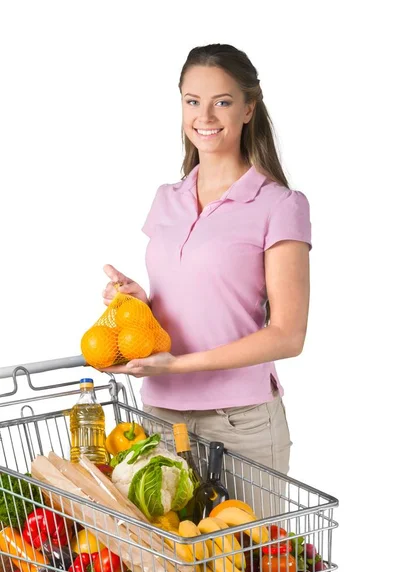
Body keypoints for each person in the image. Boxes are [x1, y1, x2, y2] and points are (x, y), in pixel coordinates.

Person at [102, 43, 311, 513]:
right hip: (158, 416)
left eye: (222, 101)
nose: (205, 115)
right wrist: (139, 304)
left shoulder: (280, 205)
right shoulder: (167, 198)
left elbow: (288, 335)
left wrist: (178, 366)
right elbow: (188, 299)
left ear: (248, 108)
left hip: (240, 423)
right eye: (192, 101)